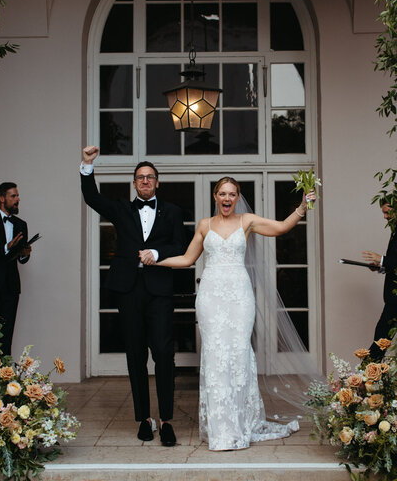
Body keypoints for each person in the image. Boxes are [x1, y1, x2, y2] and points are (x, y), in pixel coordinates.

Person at [141, 176, 316, 451]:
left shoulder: (247, 221)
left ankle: (241, 423)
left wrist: (302, 207)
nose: (226, 198)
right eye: (222, 193)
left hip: (239, 296)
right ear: (215, 196)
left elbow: (281, 227)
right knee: (215, 355)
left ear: (237, 197)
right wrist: (157, 260)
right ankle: (220, 429)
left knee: (238, 354)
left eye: (232, 194)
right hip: (211, 297)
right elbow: (188, 259)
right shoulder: (204, 225)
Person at [80, 146, 185, 446]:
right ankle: (144, 419)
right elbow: (92, 198)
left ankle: (165, 420)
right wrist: (88, 166)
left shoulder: (174, 212)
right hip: (128, 290)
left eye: (150, 177)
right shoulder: (122, 209)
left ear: (157, 182)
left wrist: (157, 252)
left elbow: (180, 245)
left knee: (163, 354)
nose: (145, 181)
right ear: (134, 183)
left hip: (160, 290)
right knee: (135, 355)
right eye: (140, 177)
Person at [0, 182, 31, 356]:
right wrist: (6, 247)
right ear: (2, 198)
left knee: (6, 336)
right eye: (13, 196)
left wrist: (24, 253)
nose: (17, 200)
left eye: (18, 196)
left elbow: (22, 259)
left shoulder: (20, 224)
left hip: (10, 287)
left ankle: (5, 378)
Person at [362, 200, 397, 360]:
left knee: (381, 337)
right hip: (392, 299)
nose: (385, 217)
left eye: (387, 212)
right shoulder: (394, 229)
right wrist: (380, 266)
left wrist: (382, 259)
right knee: (381, 336)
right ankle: (367, 377)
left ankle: (366, 377)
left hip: (395, 299)